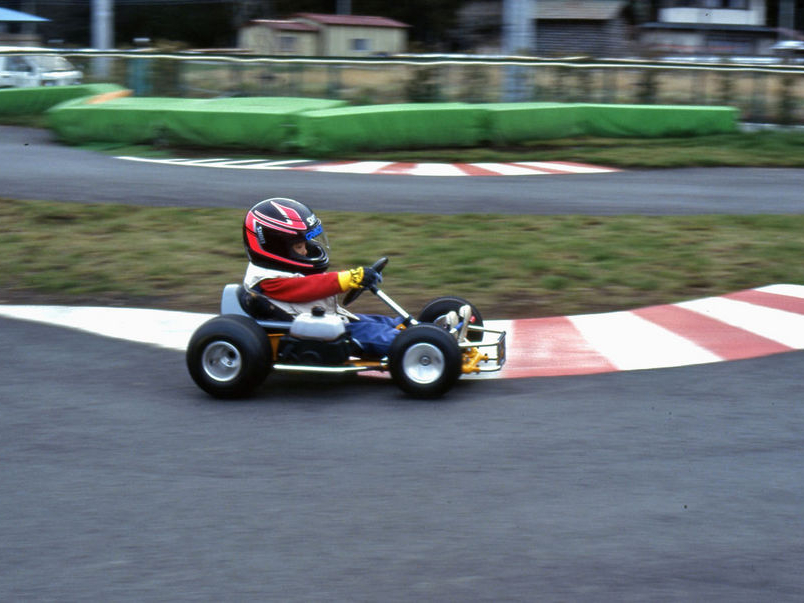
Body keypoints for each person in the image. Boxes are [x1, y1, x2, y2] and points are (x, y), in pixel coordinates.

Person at [242, 197, 403, 357]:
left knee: (384, 323)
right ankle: (415, 344)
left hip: (330, 319)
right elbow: (308, 287)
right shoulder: (267, 281)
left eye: (306, 244)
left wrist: (360, 280)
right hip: (317, 332)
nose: (305, 251)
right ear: (276, 248)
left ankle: (415, 330)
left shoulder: (277, 271)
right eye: (299, 246)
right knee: (387, 337)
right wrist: (349, 279)